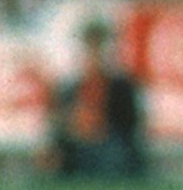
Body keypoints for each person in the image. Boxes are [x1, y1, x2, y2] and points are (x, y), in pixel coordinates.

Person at [49, 15, 148, 180]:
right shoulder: (70, 87)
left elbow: (130, 125)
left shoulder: (122, 86)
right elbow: (58, 125)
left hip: (109, 144)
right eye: (90, 46)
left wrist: (100, 130)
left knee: (115, 155)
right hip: (77, 145)